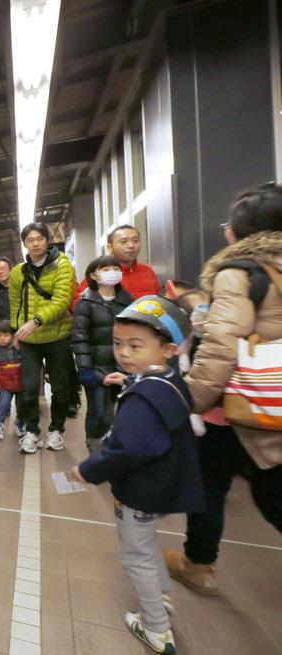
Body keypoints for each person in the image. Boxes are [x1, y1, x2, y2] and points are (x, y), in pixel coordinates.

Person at [164, 182, 282, 596]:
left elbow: (222, 345)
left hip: (243, 404)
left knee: (212, 486)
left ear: (240, 229)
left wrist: (189, 398)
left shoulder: (240, 273)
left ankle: (198, 565)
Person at [72, 296, 204, 655]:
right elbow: (154, 394)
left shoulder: (143, 398)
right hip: (165, 484)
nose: (123, 353)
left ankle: (155, 628)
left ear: (169, 349)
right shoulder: (169, 379)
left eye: (135, 346)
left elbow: (127, 450)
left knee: (137, 555)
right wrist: (132, 380)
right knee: (146, 545)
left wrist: (88, 469)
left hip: (141, 490)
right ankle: (159, 597)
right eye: (118, 344)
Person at [9, 222, 76, 454]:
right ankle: (32, 431)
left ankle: (56, 430)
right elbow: (15, 304)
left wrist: (36, 321)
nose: (35, 244)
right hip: (29, 341)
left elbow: (62, 301)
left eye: (40, 239)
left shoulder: (62, 265)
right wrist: (16, 330)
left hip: (58, 337)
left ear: (48, 241)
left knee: (60, 387)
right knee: (28, 389)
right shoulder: (18, 272)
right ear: (24, 244)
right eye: (30, 240)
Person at [71, 255, 135, 454]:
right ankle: (96, 446)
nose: (112, 273)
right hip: (97, 367)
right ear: (93, 275)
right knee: (98, 411)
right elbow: (80, 338)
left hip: (124, 365)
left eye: (116, 269)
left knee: (122, 410)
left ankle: (118, 448)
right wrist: (85, 369)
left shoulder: (128, 300)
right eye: (106, 269)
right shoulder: (85, 302)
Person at [75, 225, 160, 300]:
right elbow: (79, 302)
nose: (131, 245)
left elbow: (157, 299)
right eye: (124, 241)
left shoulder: (147, 271)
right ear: (110, 247)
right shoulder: (100, 273)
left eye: (135, 240)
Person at [0, 319, 21, 438]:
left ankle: (20, 424)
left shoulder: (17, 346)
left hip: (20, 382)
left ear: (12, 336)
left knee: (22, 405)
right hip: (5, 383)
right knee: (3, 405)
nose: (2, 338)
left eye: (6, 335)